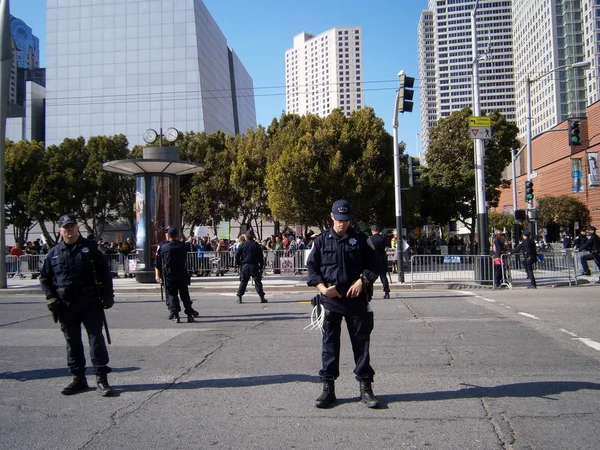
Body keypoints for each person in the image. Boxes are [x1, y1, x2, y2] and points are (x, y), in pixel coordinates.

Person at [306, 199, 381, 409]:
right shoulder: (321, 241)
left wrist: (363, 280)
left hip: (356, 300)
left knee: (361, 345)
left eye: (346, 220)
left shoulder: (360, 239)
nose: (342, 224)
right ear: (332, 217)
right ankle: (328, 388)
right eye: (339, 220)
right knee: (329, 346)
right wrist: (322, 288)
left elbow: (376, 264)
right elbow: (312, 268)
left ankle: (366, 388)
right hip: (331, 301)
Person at [39, 214, 115, 396]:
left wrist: (108, 295)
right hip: (66, 305)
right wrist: (50, 297)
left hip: (90, 302)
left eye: (72, 227)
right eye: (65, 228)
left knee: (95, 338)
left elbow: (105, 272)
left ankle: (101, 378)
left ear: (77, 228)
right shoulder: (54, 253)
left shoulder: (89, 249)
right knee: (72, 342)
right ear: (60, 230)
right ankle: (78, 378)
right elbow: (44, 278)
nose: (69, 230)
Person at [155, 227, 198, 323]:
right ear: (177, 236)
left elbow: (158, 263)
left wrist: (158, 275)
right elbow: (190, 246)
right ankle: (189, 315)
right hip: (182, 274)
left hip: (170, 275)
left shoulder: (163, 248)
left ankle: (176, 315)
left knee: (172, 295)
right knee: (185, 295)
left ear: (168, 236)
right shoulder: (182, 246)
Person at [235, 229, 266, 304]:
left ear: (246, 236)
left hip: (245, 265)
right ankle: (262, 297)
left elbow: (236, 255)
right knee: (258, 282)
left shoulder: (243, 244)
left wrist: (239, 263)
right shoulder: (257, 245)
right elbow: (261, 257)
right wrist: (261, 267)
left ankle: (239, 297)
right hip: (255, 266)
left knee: (243, 282)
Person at [368, 225, 390, 298]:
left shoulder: (369, 239)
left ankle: (369, 293)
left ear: (372, 231)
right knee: (383, 276)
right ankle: (386, 292)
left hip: (373, 260)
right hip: (382, 259)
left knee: (371, 278)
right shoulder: (384, 238)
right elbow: (387, 248)